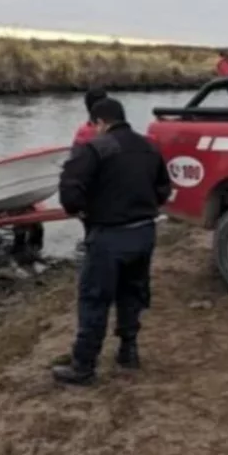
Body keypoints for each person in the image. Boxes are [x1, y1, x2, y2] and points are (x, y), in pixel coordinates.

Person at [51, 97, 172, 386]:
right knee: (133, 293)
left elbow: (69, 189)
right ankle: (128, 351)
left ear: (100, 123)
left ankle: (83, 366)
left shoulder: (95, 148)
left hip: (109, 236)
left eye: (94, 126)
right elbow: (164, 189)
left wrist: (82, 211)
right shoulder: (148, 146)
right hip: (144, 232)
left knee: (94, 299)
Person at [70, 88, 107, 253]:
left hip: (86, 188)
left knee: (90, 225)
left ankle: (90, 244)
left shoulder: (83, 131)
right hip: (106, 186)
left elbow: (74, 160)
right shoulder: (110, 131)